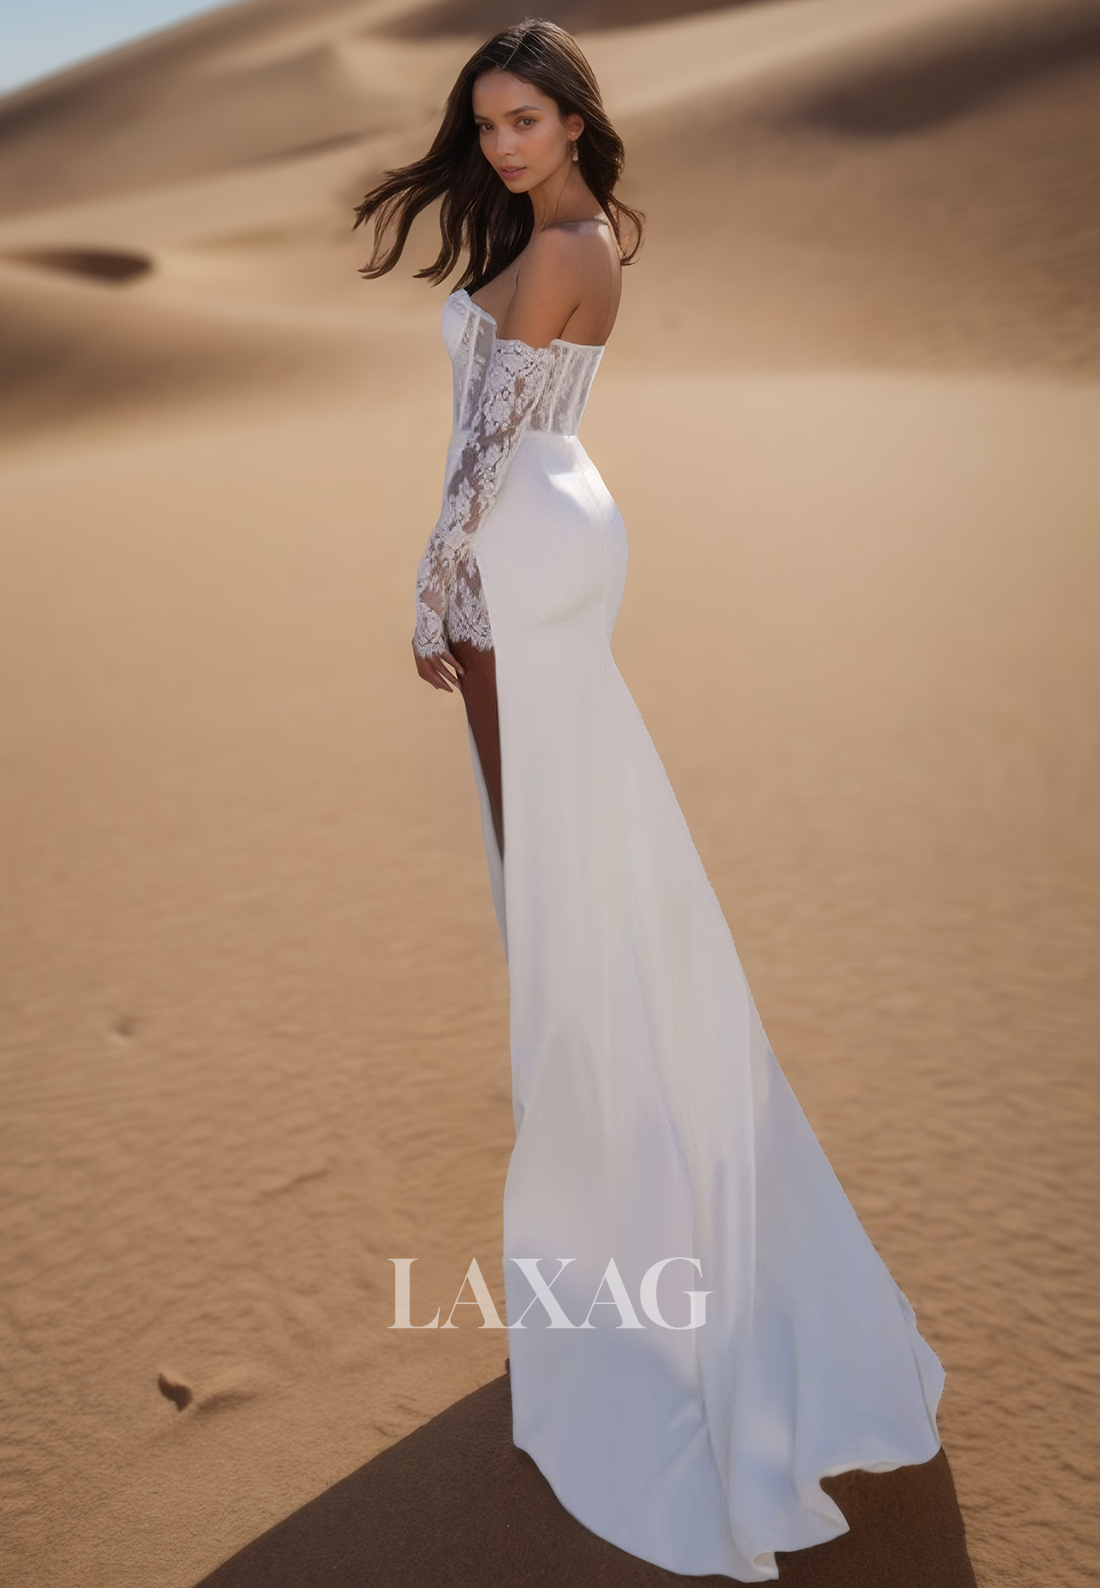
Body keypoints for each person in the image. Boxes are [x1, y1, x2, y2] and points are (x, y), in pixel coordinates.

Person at [355, 19, 943, 1583]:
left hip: (521, 549)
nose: (502, 142)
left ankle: (637, 1242)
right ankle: (635, 1214)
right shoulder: (574, 233)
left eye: (525, 118)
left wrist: (428, 593)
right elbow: (508, 429)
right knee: (573, 877)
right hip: (554, 535)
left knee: (556, 890)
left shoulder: (562, 246)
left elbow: (485, 447)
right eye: (486, 121)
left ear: (574, 120)